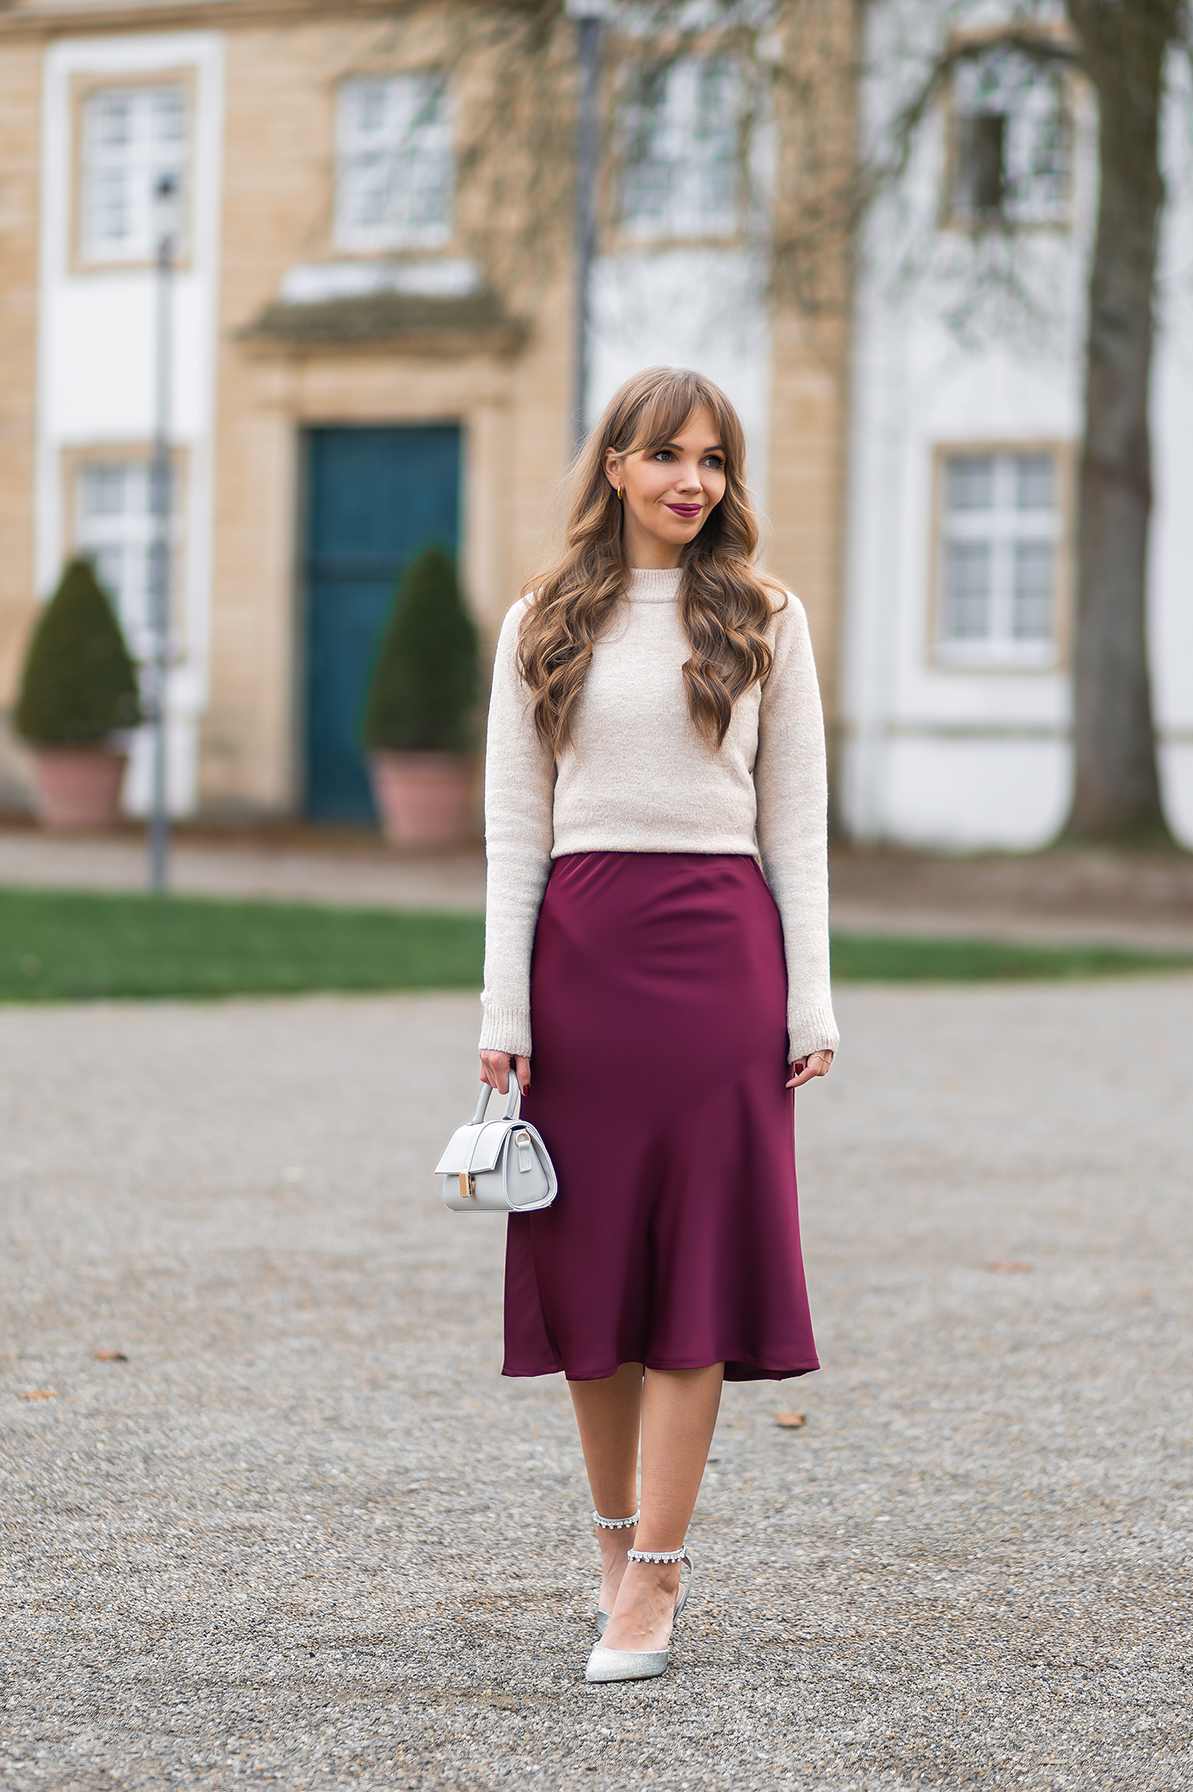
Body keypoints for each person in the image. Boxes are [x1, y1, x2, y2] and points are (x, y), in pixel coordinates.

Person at [477, 364, 839, 1683]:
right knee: (591, 1281)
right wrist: (501, 1010)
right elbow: (515, 830)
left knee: (694, 1276)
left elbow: (794, 824)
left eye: (717, 459)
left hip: (720, 960)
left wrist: (811, 997)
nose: (696, 479)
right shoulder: (542, 620)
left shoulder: (765, 617)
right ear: (615, 467)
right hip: (580, 964)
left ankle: (660, 1583)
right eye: (670, 454)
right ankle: (613, 1551)